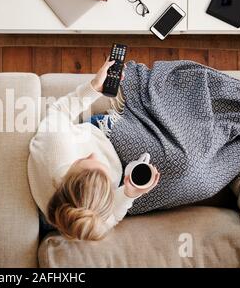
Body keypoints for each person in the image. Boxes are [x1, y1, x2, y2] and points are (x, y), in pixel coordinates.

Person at [27, 59, 160, 241]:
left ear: (66, 178)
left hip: (99, 132)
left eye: (83, 160)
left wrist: (94, 87)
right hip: (122, 174)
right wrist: (128, 194)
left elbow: (59, 111)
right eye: (102, 170)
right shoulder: (88, 220)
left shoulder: (56, 143)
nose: (94, 154)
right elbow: (111, 218)